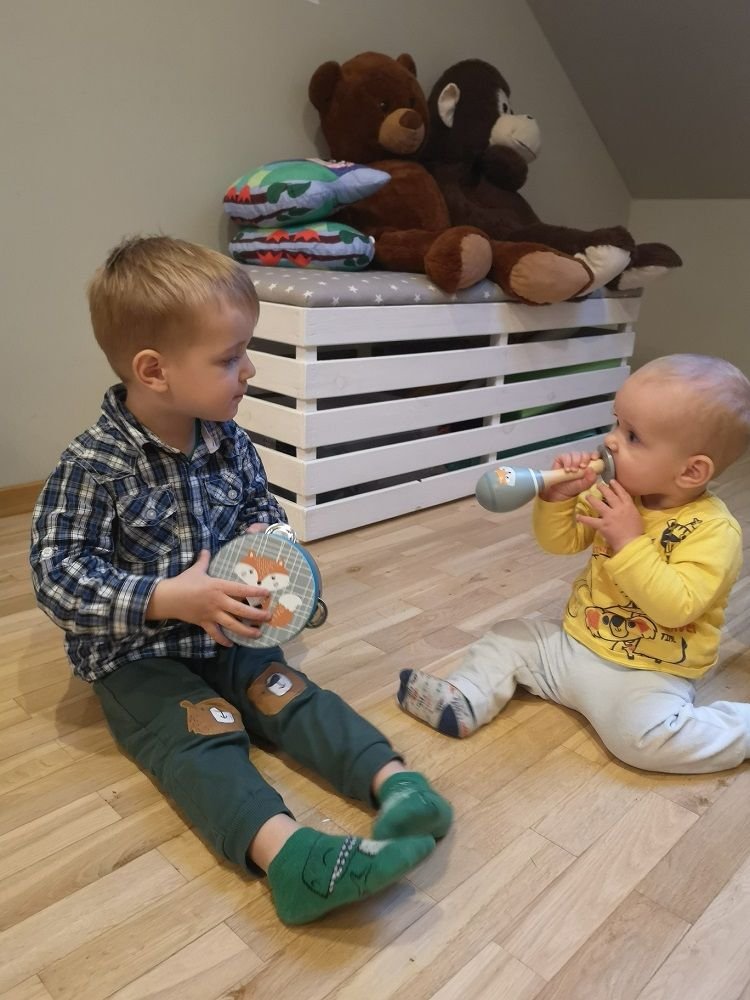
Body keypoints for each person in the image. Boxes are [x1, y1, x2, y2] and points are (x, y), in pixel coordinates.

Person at [30, 235, 451, 926]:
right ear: (154, 371)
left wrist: (279, 560)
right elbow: (58, 578)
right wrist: (167, 598)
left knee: (293, 698)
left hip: (230, 632)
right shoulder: (90, 468)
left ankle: (395, 783)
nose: (248, 370)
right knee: (202, 736)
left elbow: (262, 511)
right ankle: (291, 860)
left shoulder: (230, 441)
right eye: (229, 358)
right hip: (138, 658)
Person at [398, 354, 750, 774]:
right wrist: (557, 501)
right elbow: (561, 543)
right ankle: (466, 697)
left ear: (691, 471)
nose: (611, 441)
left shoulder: (713, 531)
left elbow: (678, 607)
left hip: (649, 672)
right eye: (616, 423)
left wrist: (629, 542)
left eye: (633, 436)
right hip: (573, 644)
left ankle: (740, 728)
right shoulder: (616, 494)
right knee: (511, 636)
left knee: (645, 743)